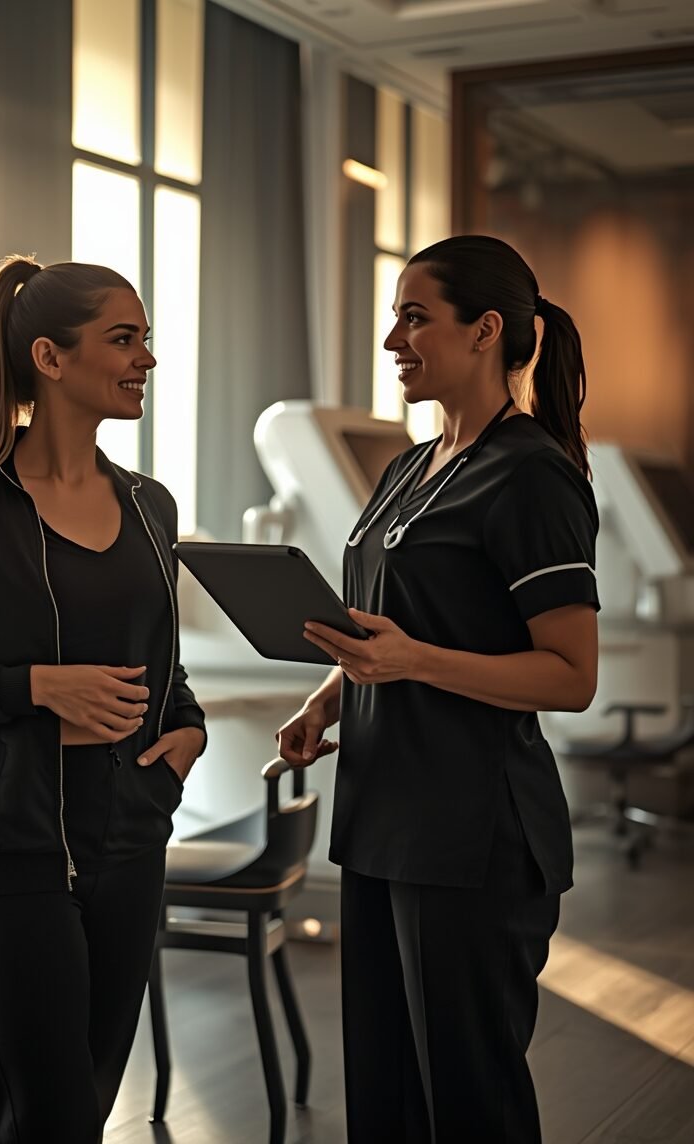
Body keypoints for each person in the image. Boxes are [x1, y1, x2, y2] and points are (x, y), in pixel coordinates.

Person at [0, 255, 206, 1143]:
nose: (147, 360)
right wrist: (31, 689)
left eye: (147, 340)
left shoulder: (151, 508)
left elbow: (163, 664)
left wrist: (189, 732)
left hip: (131, 843)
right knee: (46, 1118)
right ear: (51, 359)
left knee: (86, 1108)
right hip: (6, 855)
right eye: (123, 339)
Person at [277, 235, 599, 1143]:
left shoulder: (531, 475)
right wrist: (330, 698)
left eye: (415, 317)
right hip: (383, 819)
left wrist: (413, 663)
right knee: (385, 1098)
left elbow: (572, 676)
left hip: (475, 838)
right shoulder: (409, 468)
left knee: (468, 1106)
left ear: (486, 329)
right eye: (395, 318)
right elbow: (396, 627)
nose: (393, 340)